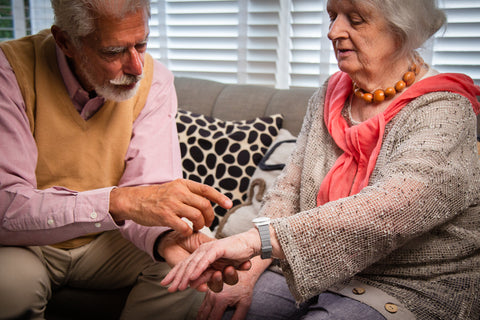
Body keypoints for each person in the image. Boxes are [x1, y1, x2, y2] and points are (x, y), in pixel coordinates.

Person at [161, 0, 480, 319]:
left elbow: (396, 207)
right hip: (323, 269)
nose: (333, 32)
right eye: (332, 17)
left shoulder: (445, 108)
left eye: (355, 20)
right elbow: (289, 189)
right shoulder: (330, 93)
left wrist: (258, 240)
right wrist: (251, 267)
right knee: (223, 305)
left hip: (412, 283)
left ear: (402, 29)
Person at [0, 0, 240, 319]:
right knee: (10, 287)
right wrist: (117, 202)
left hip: (107, 242)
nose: (136, 67)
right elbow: (6, 207)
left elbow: (148, 194)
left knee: (191, 263)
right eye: (113, 52)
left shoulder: (154, 81)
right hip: (27, 243)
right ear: (65, 42)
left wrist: (164, 237)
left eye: (141, 44)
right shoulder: (10, 72)